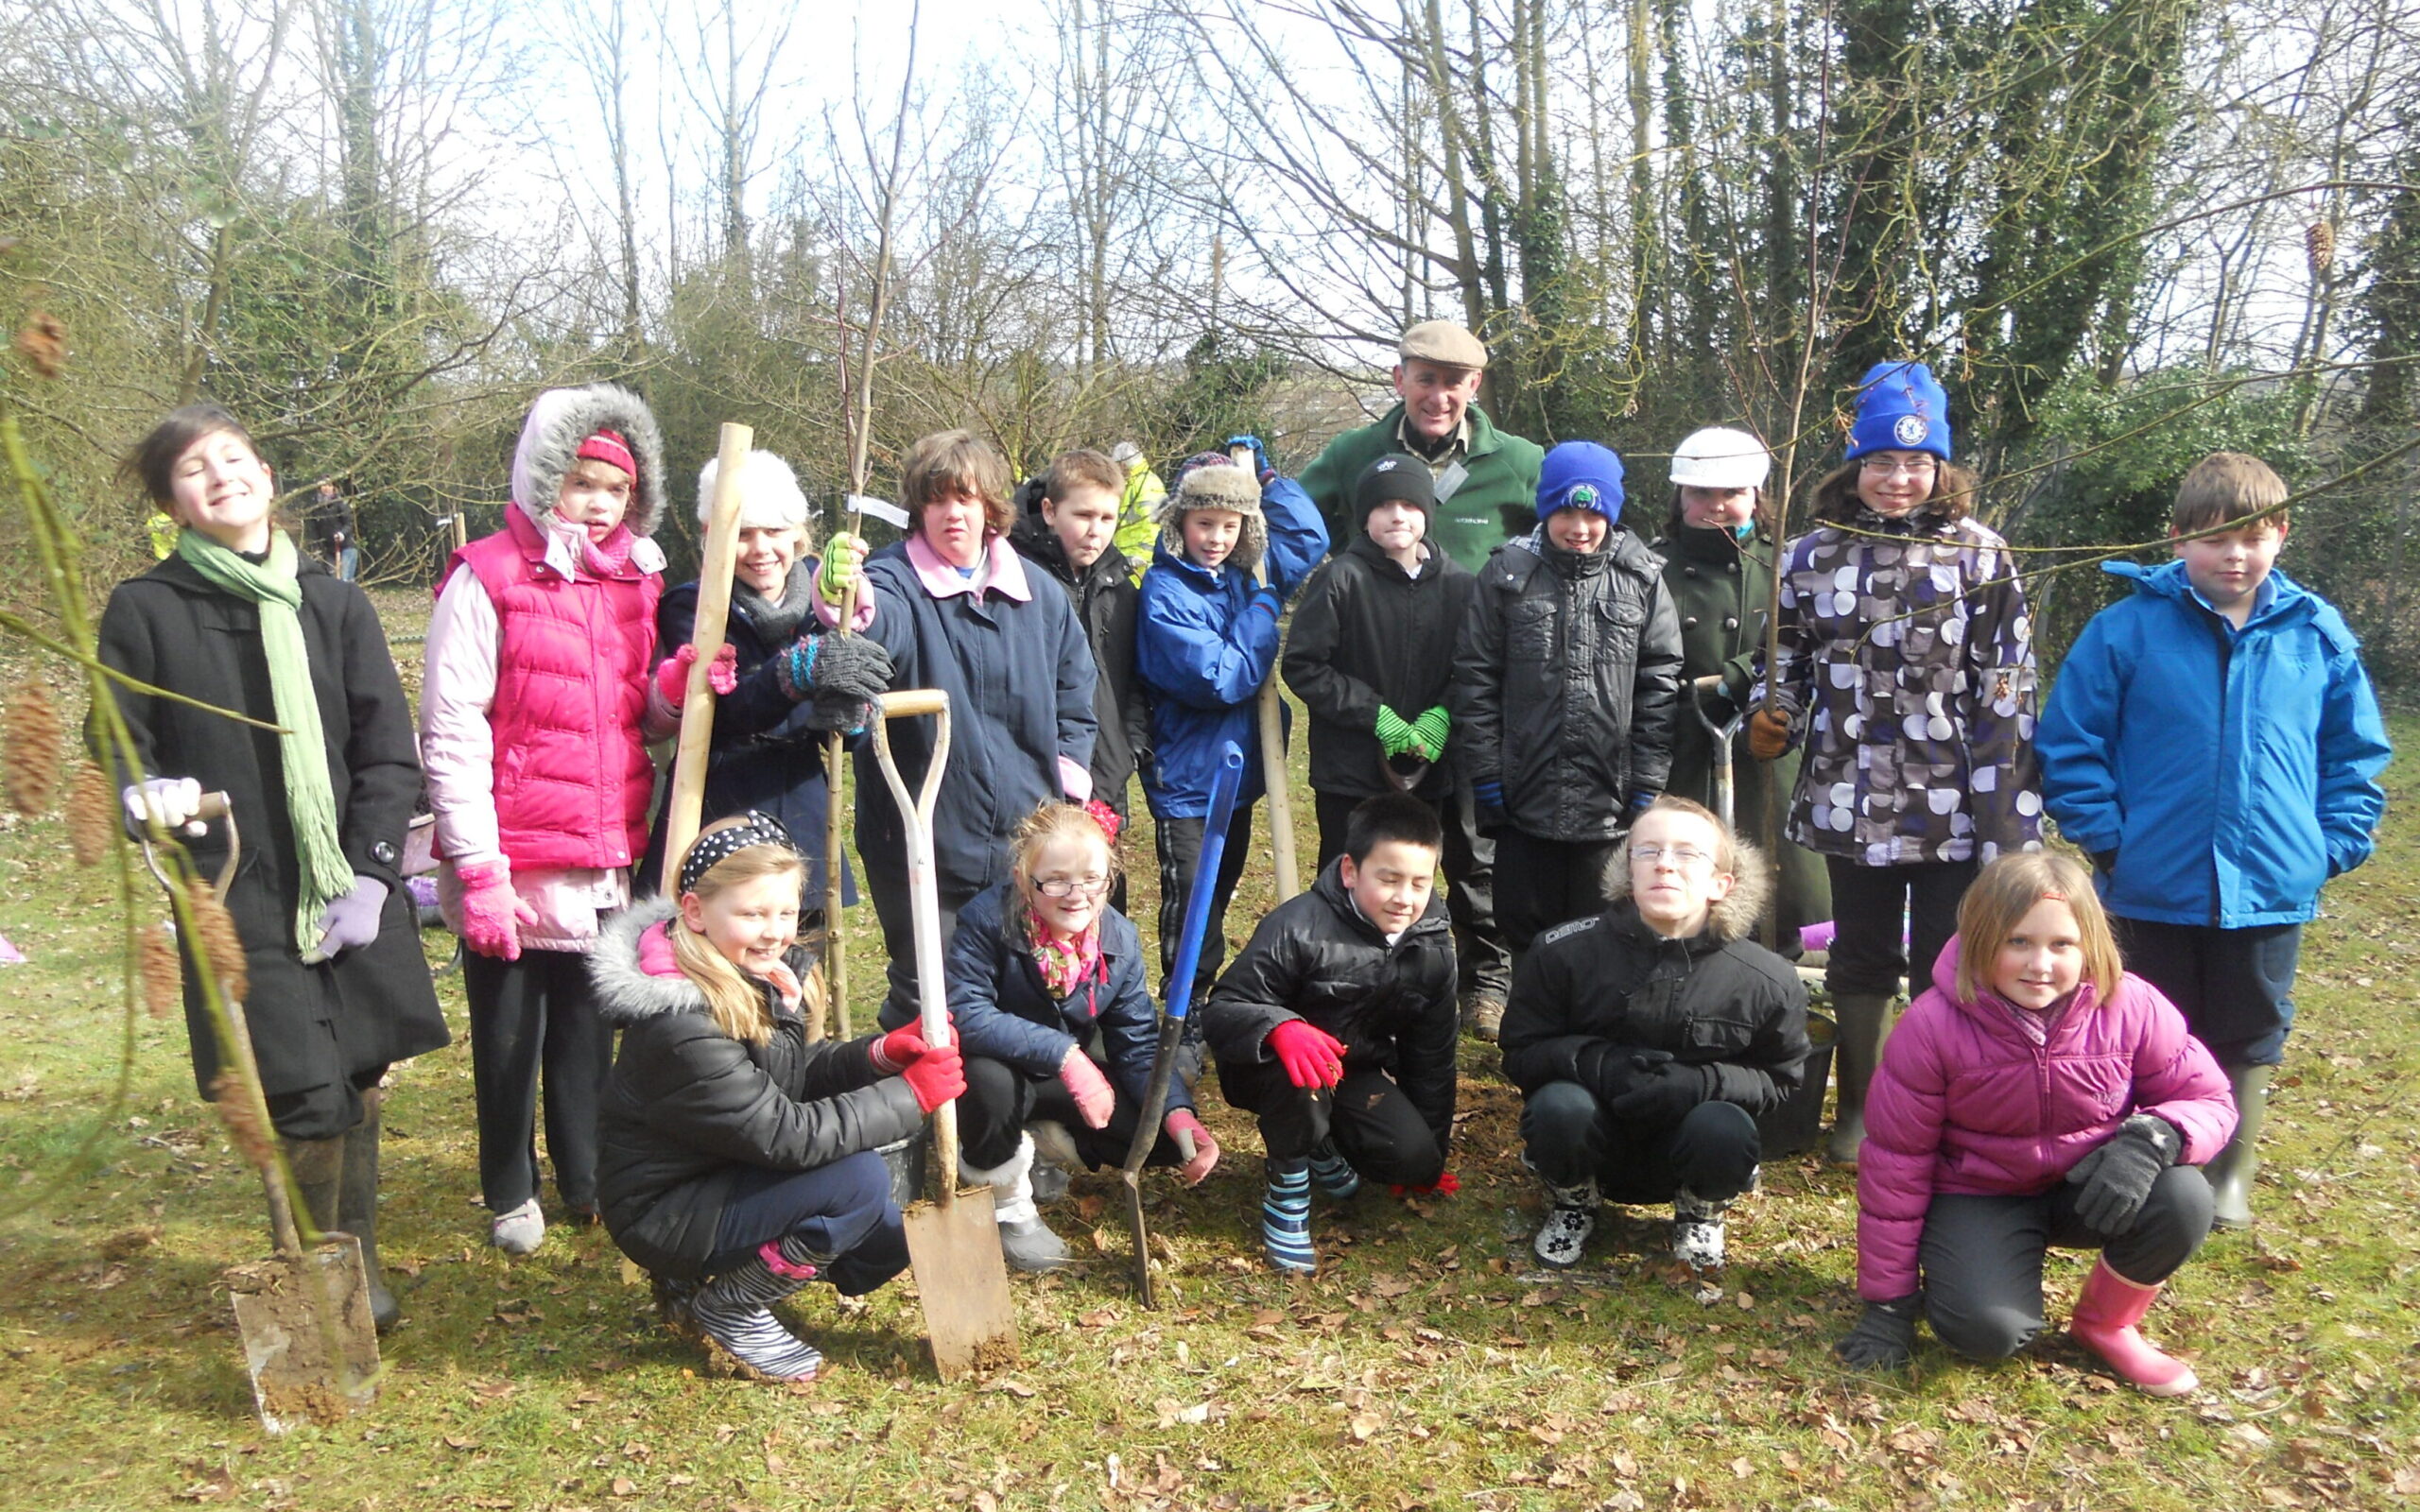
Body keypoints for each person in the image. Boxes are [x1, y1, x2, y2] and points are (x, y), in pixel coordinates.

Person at [100, 404, 449, 1330]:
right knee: (293, 1095)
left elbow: (386, 751)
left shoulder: (334, 604)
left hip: (346, 884)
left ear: (265, 474)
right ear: (170, 501)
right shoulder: (148, 610)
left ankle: (358, 1261)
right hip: (238, 896)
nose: (220, 475)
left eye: (234, 457)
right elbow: (120, 743)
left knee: (365, 1075)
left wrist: (376, 876)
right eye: (192, 468)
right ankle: (311, 1286)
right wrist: (149, 799)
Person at [2037, 452, 2391, 1228]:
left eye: (2253, 537)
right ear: (2177, 541)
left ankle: (2228, 1171)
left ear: (2281, 536)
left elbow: (2356, 754)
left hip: (2270, 887)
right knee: (2142, 1021)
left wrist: (2329, 847)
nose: (2235, 555)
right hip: (2149, 881)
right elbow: (2070, 741)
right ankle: (2130, 1161)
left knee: (2249, 1024)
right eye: (2214, 539)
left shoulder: (2316, 634)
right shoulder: (2126, 629)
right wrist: (2108, 840)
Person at [1748, 361, 2042, 1165]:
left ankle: (1939, 1112)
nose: (1899, 479)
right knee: (1861, 954)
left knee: (1946, 961)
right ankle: (1864, 1114)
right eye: (1882, 462)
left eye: (1917, 464)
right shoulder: (1809, 558)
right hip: (1852, 797)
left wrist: (2008, 815)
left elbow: (2007, 686)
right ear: (1855, 466)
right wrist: (1770, 716)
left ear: (1942, 468)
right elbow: (1784, 665)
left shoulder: (1980, 557)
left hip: (1953, 803)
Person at [422, 383, 673, 1255]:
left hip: (605, 843)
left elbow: (637, 714)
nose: (599, 505)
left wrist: (676, 695)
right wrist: (477, 865)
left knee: (584, 1024)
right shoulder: (487, 575)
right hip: (518, 849)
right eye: (580, 484)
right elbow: (452, 726)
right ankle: (509, 1187)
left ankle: (585, 1171)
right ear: (542, 482)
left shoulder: (637, 580)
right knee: (508, 1032)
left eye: (614, 489)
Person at [1835, 852, 2237, 1395]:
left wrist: (2153, 1138)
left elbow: (2208, 1098)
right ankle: (1974, 1272)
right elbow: (1895, 1167)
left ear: (2090, 944)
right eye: (2018, 942)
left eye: (2062, 945)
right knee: (1986, 1335)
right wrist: (1888, 1304)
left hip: (2090, 1186)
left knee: (2184, 1197)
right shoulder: (1930, 1027)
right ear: (1981, 940)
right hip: (1980, 1194)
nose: (2040, 964)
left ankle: (2107, 1324)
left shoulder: (2133, 1005)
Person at [589, 815, 965, 1382]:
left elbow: (786, 1075)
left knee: (885, 1234)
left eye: (785, 912)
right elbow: (786, 1134)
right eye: (752, 914)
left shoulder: (745, 973)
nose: (774, 931)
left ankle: (721, 1276)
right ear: (694, 912)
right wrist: (910, 1096)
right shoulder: (682, 1026)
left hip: (719, 1170)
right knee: (858, 1183)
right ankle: (729, 1306)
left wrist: (881, 1056)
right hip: (663, 1210)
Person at [816, 429, 1098, 1029]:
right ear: (919, 509)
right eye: (938, 500)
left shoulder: (1038, 595)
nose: (953, 515)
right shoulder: (897, 581)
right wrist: (845, 593)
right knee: (929, 991)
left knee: (1013, 990)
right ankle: (919, 1110)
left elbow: (1077, 696)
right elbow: (874, 623)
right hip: (920, 841)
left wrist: (1067, 789)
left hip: (1025, 842)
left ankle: (997, 1116)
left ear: (989, 507)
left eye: (966, 499)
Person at [1498, 798, 1809, 1272]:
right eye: (1647, 851)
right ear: (1628, 871)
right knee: (1557, 1107)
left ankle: (1700, 1212)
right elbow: (1520, 1053)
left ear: (1720, 884)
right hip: (1594, 1133)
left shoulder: (1768, 979)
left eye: (1686, 854)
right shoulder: (1560, 952)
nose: (1664, 863)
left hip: (1694, 1145)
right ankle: (1573, 1200)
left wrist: (1701, 1083)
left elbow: (1781, 1080)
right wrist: (1598, 1063)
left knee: (1725, 1126)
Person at [1283, 452, 1509, 1037]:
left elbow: (1478, 666)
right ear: (1364, 518)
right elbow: (1305, 664)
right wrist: (1375, 715)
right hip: (1352, 770)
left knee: (1414, 879)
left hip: (1430, 768)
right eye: (1382, 507)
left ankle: (1417, 987)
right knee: (1348, 872)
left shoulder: (1461, 585)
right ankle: (1334, 986)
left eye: (1409, 504)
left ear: (1427, 513)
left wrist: (1443, 716)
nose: (1397, 516)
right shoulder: (1342, 579)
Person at [943, 802, 1219, 1270]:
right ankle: (1007, 1202)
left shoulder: (1120, 939)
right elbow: (966, 1013)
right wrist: (1066, 1055)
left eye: (1093, 879)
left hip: (1065, 1078)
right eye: (1055, 880)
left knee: (1163, 1140)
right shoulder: (986, 921)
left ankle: (1044, 1142)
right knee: (990, 1086)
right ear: (1022, 877)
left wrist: (1176, 1111)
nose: (1077, 895)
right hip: (998, 1067)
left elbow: (1137, 1041)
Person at [1451, 439, 1685, 987]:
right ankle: (1532, 1023)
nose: (1579, 527)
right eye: (1565, 512)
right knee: (1522, 918)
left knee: (1601, 924)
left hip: (1609, 798)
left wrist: (1648, 780)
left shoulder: (1643, 577)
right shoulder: (1506, 575)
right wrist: (1487, 773)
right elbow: (1476, 678)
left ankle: (1593, 1028)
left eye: (1593, 513)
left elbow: (1659, 683)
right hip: (1521, 793)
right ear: (1545, 509)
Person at [1202, 793, 1457, 1275]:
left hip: (1351, 1071)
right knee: (1303, 1083)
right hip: (1269, 1068)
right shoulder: (1296, 926)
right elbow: (1221, 1010)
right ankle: (1288, 1188)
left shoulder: (1434, 945)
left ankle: (1321, 1142)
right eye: (1389, 879)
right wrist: (1279, 1027)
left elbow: (1433, 1054)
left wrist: (1432, 1155)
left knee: (1412, 1157)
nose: (1405, 898)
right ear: (1349, 871)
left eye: (1420, 883)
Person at [640, 449, 892, 904]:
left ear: (797, 534)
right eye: (743, 534)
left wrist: (851, 713)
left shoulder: (828, 600)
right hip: (720, 801)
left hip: (802, 803)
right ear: (711, 536)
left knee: (800, 950)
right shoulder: (691, 607)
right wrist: (801, 668)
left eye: (774, 531)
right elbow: (729, 707)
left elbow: (845, 732)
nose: (760, 549)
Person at [1135, 444, 1329, 1004]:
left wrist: (1268, 481)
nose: (1216, 538)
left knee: (1219, 893)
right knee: (1194, 902)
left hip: (1238, 775)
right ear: (1180, 522)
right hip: (1190, 781)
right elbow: (1222, 677)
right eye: (1204, 524)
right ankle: (1184, 1009)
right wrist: (1265, 612)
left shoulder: (1247, 574)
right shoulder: (1165, 592)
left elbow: (1311, 538)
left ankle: (1209, 1004)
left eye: (1229, 524)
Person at [1650, 427, 1829, 955]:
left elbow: (1811, 645)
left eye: (1731, 493)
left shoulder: (1788, 565)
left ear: (1756, 496)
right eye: (1702, 493)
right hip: (1679, 745)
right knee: (1679, 878)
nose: (1717, 505)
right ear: (1680, 496)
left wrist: (1742, 677)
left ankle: (1787, 986)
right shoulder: (1648, 565)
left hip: (1766, 745)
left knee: (1791, 892)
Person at [1009, 448, 1152, 891]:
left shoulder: (1120, 587)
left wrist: (1128, 750)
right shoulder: (1017, 581)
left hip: (1106, 778)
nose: (1096, 531)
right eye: (1084, 515)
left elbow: (1135, 683)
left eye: (1108, 518)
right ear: (1049, 511)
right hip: (1034, 780)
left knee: (1103, 911)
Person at [1298, 320, 1546, 574]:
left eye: (1453, 383)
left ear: (1473, 384)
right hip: (1376, 613)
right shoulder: (1353, 453)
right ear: (1400, 380)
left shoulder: (1520, 461)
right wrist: (1351, 551)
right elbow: (1298, 516)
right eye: (1426, 381)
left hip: (1478, 612)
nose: (1438, 399)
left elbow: (1562, 537)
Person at [1108, 441, 1167, 575]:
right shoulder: (1132, 483)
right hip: (1125, 559)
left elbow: (1152, 526)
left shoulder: (1146, 485)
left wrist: (1141, 558)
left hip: (1139, 564)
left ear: (1123, 464)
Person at [304, 478, 358, 582]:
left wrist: (342, 534)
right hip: (329, 549)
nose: (326, 488)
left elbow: (349, 523)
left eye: (329, 485)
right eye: (323, 485)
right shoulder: (317, 507)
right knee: (333, 581)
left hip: (346, 547)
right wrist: (316, 546)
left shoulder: (340, 503)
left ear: (334, 487)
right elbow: (315, 528)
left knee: (345, 580)